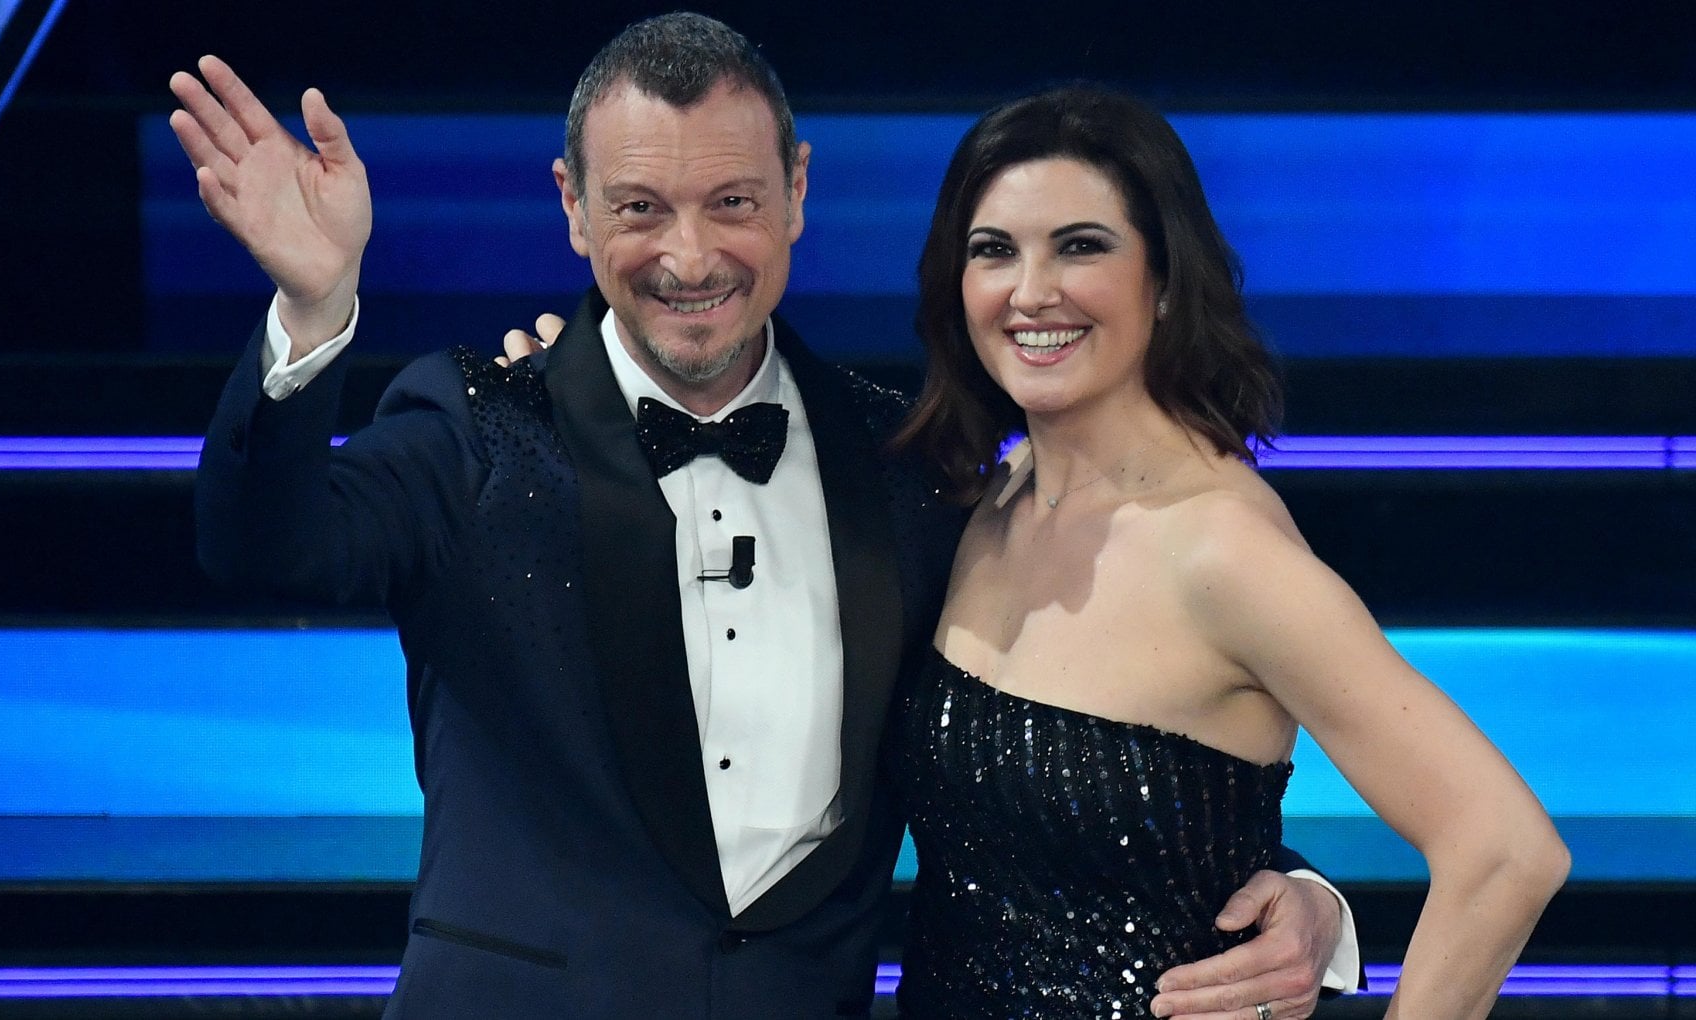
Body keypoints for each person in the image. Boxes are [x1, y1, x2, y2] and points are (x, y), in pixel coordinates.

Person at [173, 14, 1355, 1018]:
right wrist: (313, 305)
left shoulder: (914, 471)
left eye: (731, 201)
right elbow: (268, 545)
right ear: (572, 207)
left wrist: (1300, 899)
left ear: (797, 189)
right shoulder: (475, 426)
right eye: (640, 207)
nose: (689, 258)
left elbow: (1037, 766)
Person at [877, 85, 1570, 1018]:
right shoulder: (989, 502)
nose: (1031, 291)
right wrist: (1310, 892)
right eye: (994, 250)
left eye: (1081, 246)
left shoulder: (1222, 551)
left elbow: (1506, 849)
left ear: (1165, 281)